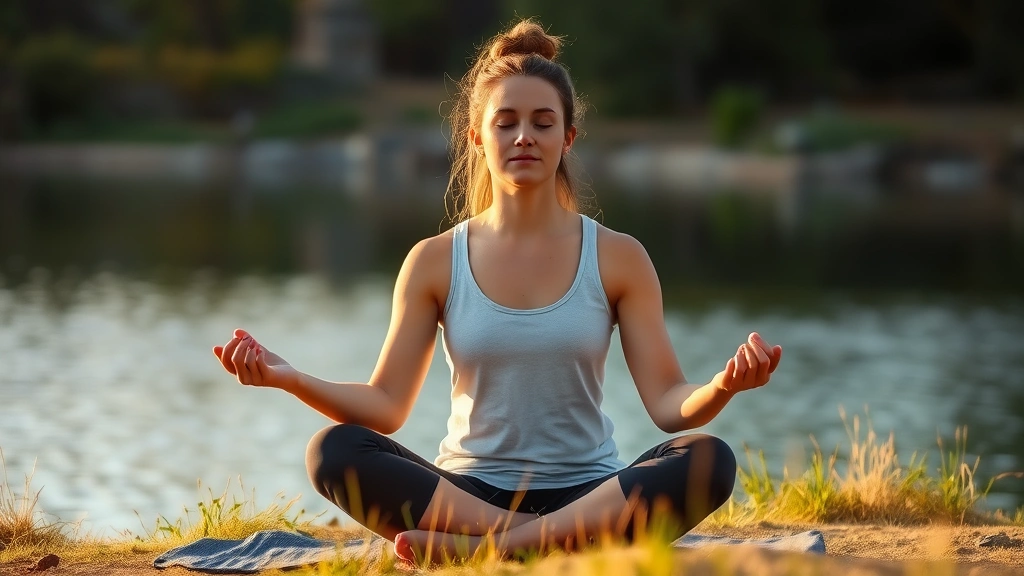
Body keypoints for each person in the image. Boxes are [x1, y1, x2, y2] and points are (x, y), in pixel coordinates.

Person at [212, 18, 782, 564]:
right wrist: (290, 377)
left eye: (543, 123)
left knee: (707, 459)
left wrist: (721, 386)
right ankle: (548, 544)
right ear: (477, 137)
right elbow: (385, 405)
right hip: (467, 496)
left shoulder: (618, 256)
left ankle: (494, 551)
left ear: (568, 137)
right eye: (505, 122)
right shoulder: (434, 260)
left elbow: (668, 405)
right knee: (333, 451)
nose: (524, 136)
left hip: (589, 492)